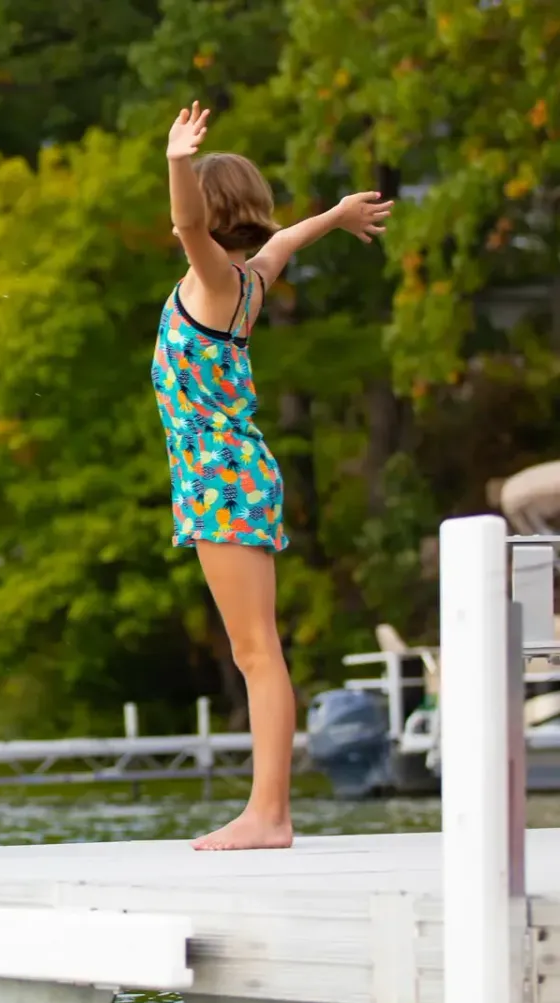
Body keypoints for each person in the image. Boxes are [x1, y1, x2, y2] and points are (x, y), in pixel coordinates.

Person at [156, 102, 390, 850]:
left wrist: (177, 162)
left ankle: (269, 815)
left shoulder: (218, 280)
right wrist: (338, 213)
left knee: (257, 652)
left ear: (213, 212)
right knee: (256, 650)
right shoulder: (252, 277)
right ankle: (270, 812)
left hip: (221, 479)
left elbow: (189, 227)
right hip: (231, 476)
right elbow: (286, 237)